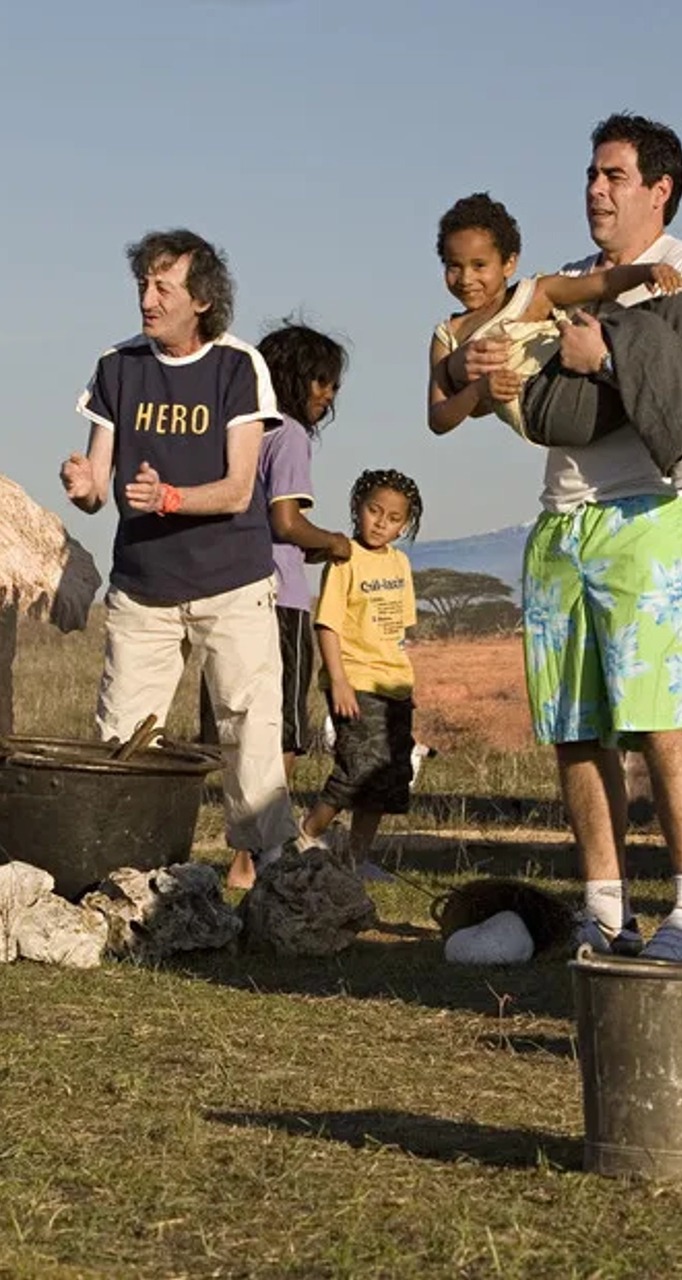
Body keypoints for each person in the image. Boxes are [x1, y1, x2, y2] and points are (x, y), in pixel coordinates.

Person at [458, 113, 682, 963]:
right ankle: (604, 911)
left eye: (614, 175)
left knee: (659, 719)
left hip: (643, 513)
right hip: (561, 519)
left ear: (660, 189)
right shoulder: (568, 281)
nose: (595, 189)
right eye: (591, 173)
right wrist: (506, 380)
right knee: (576, 727)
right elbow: (534, 413)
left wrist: (601, 362)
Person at [61, 229, 297, 870]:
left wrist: (168, 498)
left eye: (163, 286)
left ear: (201, 300)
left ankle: (271, 872)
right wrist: (85, 486)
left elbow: (239, 488)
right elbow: (100, 488)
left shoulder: (237, 366)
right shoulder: (118, 366)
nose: (147, 297)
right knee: (124, 733)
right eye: (143, 283)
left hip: (232, 581)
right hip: (143, 587)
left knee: (250, 729)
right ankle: (122, 868)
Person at [427, 192, 682, 482]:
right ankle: (681, 450)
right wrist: (478, 389)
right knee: (632, 326)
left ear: (509, 262)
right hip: (542, 406)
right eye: (454, 266)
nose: (466, 278)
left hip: (579, 385)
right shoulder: (450, 334)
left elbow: (601, 285)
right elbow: (439, 418)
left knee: (677, 309)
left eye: (479, 265)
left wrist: (646, 273)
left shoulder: (536, 293)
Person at [198, 323, 354, 889]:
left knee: (234, 723)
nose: (328, 395)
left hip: (224, 588)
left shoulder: (236, 431)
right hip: (278, 598)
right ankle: (253, 856)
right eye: (322, 381)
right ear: (296, 379)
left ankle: (243, 850)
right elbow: (287, 521)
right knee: (282, 728)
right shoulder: (287, 436)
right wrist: (335, 542)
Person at [298, 469, 423, 871]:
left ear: (405, 526)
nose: (381, 522)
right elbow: (328, 625)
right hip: (355, 682)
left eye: (393, 518)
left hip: (395, 686)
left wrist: (405, 682)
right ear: (358, 508)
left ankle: (355, 859)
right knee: (357, 769)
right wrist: (339, 683)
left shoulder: (400, 563)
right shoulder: (344, 559)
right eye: (374, 510)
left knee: (385, 778)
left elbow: (398, 631)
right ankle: (306, 838)